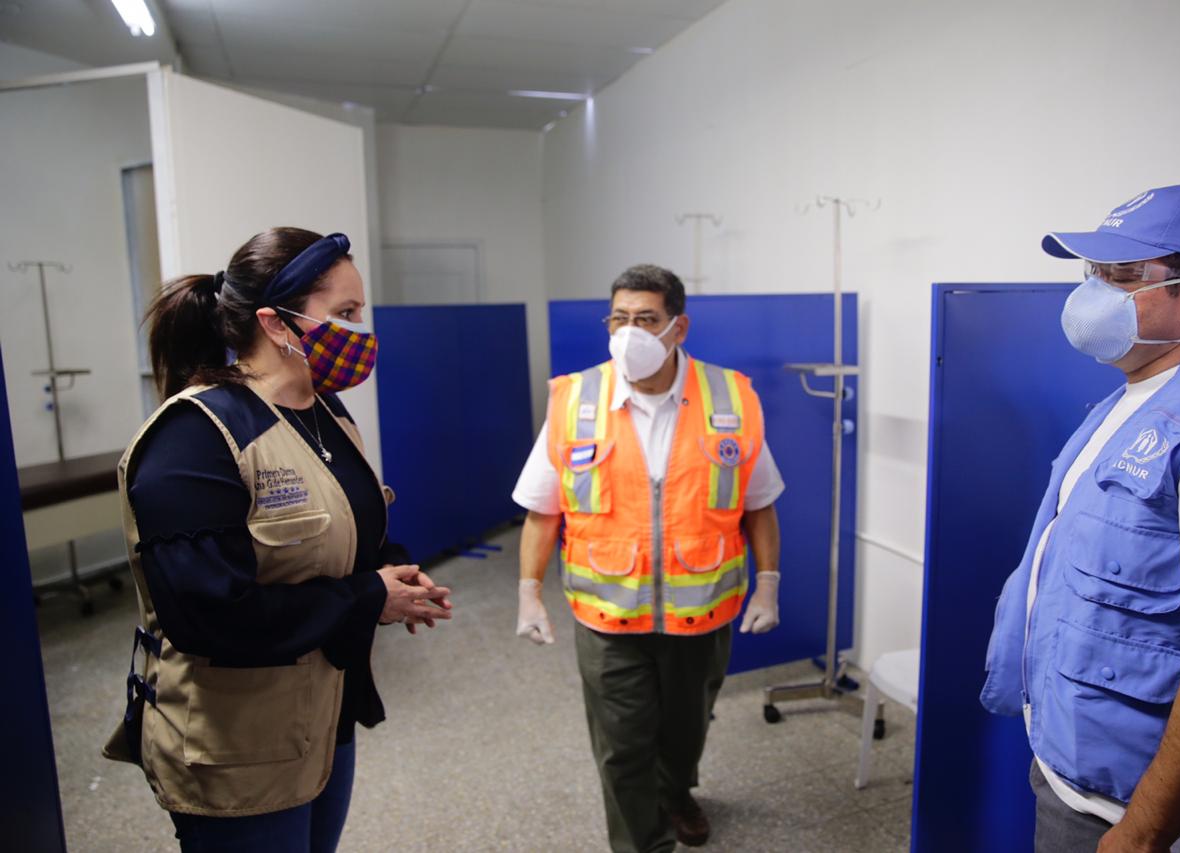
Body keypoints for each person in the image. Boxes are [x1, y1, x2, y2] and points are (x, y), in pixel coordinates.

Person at [102, 227, 452, 852]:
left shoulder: (328, 414)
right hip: (236, 746)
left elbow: (348, 535)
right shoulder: (194, 438)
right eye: (344, 313)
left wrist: (394, 575)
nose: (360, 331)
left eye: (359, 312)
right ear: (275, 322)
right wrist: (368, 597)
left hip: (323, 716)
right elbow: (209, 614)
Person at [980, 185, 1180, 853]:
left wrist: (1142, 834)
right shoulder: (1136, 397)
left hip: (1145, 813)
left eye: (1119, 276)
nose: (1091, 293)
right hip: (1075, 767)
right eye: (1092, 272)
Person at [511, 264, 785, 852]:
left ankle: (676, 792)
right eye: (619, 318)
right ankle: (643, 842)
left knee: (686, 732)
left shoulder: (730, 397)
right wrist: (528, 594)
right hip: (608, 615)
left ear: (677, 327)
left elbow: (759, 503)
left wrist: (768, 583)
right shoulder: (575, 399)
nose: (628, 332)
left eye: (645, 319)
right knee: (622, 743)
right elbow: (542, 510)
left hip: (702, 614)